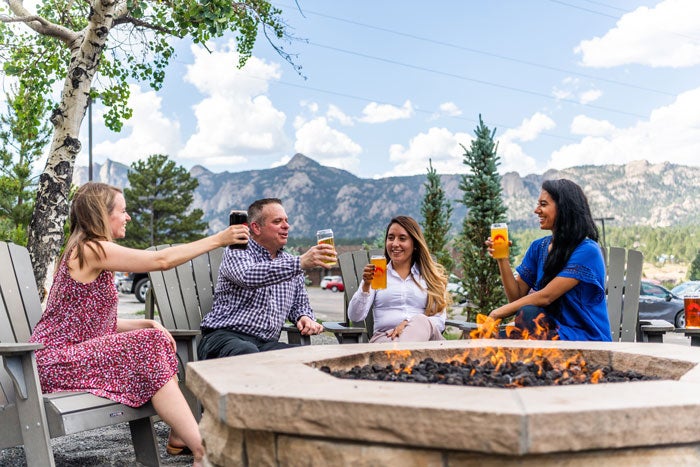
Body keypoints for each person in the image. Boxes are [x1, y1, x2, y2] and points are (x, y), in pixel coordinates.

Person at [29, 182, 250, 467]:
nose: (128, 217)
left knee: (154, 339)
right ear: (102, 214)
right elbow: (160, 260)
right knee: (150, 344)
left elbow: (90, 322)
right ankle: (201, 448)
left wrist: (147, 323)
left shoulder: (88, 251)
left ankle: (181, 436)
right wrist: (219, 239)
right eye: (122, 211)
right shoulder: (92, 249)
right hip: (53, 362)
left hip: (73, 355)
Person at [197, 198, 334, 359]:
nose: (286, 226)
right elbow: (248, 276)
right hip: (225, 338)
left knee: (307, 357)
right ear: (256, 227)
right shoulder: (237, 251)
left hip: (266, 344)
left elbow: (299, 304)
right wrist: (300, 262)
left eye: (286, 221)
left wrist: (303, 317)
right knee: (247, 352)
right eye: (277, 221)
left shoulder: (290, 262)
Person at [486, 178, 611, 341]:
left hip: (585, 338)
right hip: (550, 333)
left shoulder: (587, 250)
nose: (536, 210)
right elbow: (516, 299)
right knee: (497, 339)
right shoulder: (538, 248)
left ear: (564, 208)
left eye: (543, 204)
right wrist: (502, 259)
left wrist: (497, 313)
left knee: (528, 313)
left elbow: (546, 296)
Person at [348, 216, 450, 342]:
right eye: (391, 238)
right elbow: (355, 316)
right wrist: (366, 286)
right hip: (387, 338)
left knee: (421, 320)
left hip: (426, 339)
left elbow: (439, 321)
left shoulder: (430, 277)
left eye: (402, 238)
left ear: (415, 244)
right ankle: (405, 351)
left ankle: (404, 351)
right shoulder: (377, 275)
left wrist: (408, 324)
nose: (395, 244)